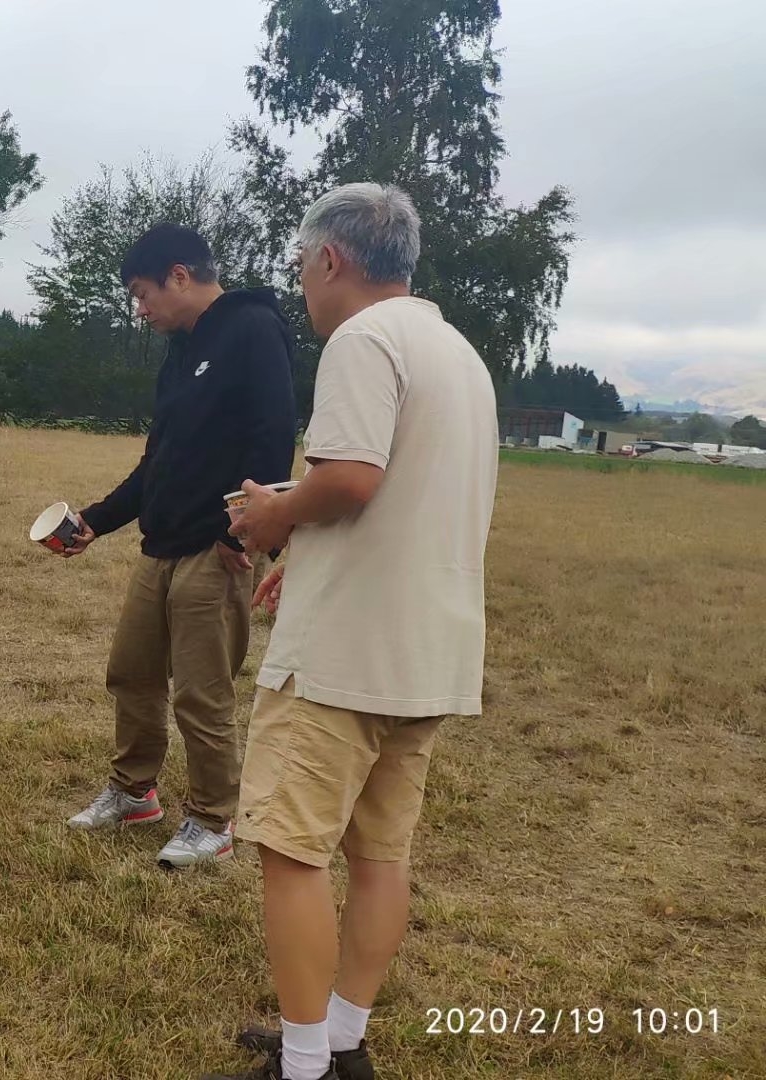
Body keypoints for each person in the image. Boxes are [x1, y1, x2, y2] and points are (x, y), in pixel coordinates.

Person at [209, 184, 499, 1080]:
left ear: (330, 260)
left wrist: (271, 517)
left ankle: (303, 1068)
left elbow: (351, 479)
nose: (301, 285)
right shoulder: (458, 354)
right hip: (428, 651)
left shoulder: (361, 340)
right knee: (381, 853)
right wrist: (314, 557)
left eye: (301, 266)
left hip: (341, 661)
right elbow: (409, 501)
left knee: (289, 851)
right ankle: (341, 1040)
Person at [59, 222, 297, 869]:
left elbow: (275, 439)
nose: (140, 309)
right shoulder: (180, 351)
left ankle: (212, 820)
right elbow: (156, 461)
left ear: (180, 276)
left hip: (215, 551)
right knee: (131, 673)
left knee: (201, 692)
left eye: (142, 293)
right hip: (158, 548)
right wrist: (95, 520)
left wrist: (238, 531)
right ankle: (134, 792)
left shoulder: (253, 330)